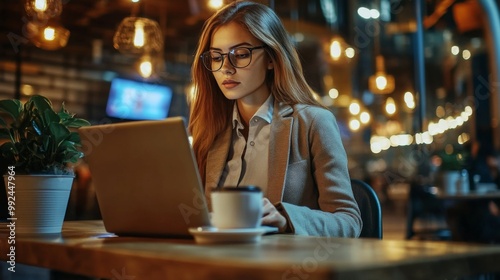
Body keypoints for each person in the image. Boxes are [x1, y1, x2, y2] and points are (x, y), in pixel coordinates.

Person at [188, 1, 362, 237]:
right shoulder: (211, 131)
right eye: (217, 57)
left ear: (272, 57)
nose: (226, 68)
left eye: (240, 54)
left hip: (283, 268)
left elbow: (349, 221)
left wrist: (286, 219)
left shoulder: (313, 122)